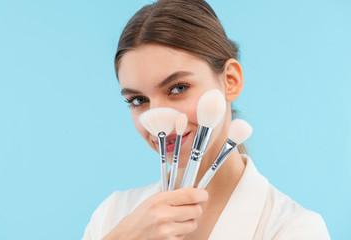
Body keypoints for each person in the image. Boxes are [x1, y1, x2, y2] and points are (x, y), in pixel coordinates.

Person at [82, 0, 330, 239]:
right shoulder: (111, 216)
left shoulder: (294, 229)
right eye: (138, 100)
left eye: (178, 88)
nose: (157, 117)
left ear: (230, 81)